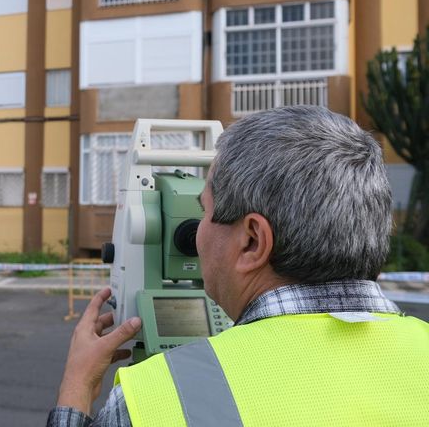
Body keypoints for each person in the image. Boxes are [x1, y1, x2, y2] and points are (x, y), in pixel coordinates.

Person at [49, 106, 429, 426]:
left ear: (251, 241)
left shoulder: (158, 397)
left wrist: (76, 388)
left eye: (204, 212)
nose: (197, 234)